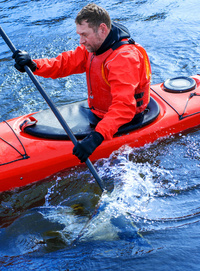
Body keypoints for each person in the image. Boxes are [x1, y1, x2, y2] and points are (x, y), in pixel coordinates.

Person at [13, 3, 151, 163]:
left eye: (84, 35)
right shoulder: (95, 46)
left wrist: (96, 138)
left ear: (102, 29)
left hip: (124, 119)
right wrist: (34, 65)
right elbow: (63, 64)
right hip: (99, 112)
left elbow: (124, 108)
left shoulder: (124, 59)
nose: (81, 41)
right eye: (79, 35)